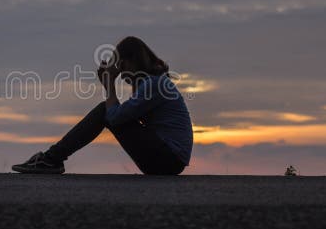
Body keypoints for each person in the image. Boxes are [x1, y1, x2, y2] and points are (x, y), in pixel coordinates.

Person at [12, 36, 193, 175]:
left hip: (168, 159)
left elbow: (113, 117)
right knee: (105, 110)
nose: (121, 74)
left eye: (121, 67)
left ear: (130, 62)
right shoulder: (154, 83)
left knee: (102, 111)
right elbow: (120, 115)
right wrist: (109, 84)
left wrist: (109, 85)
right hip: (167, 160)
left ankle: (51, 159)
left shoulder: (154, 84)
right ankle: (52, 159)